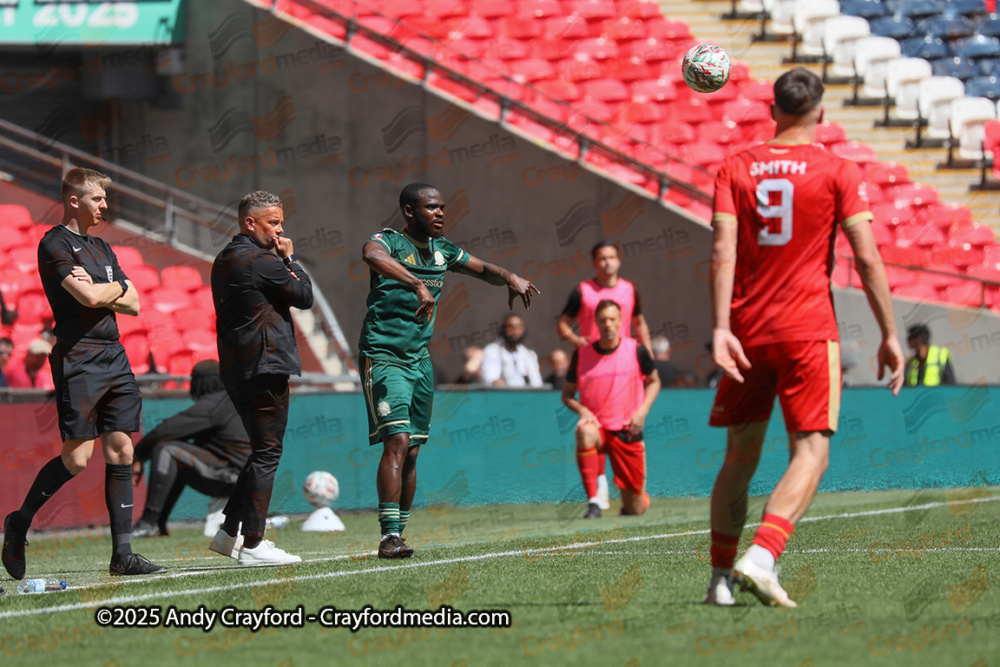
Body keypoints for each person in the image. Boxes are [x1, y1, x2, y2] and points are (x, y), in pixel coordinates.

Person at [703, 68, 904, 609]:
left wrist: (720, 328)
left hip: (746, 331)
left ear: (773, 111)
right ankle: (763, 555)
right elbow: (867, 258)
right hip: (808, 330)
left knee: (739, 458)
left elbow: (722, 251)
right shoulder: (838, 170)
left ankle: (719, 582)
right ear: (820, 112)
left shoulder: (734, 167)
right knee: (812, 453)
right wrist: (890, 333)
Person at [2, 167, 166, 579]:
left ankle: (122, 556)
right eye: (97, 198)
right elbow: (93, 297)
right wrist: (110, 291)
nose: (104, 205)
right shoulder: (54, 243)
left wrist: (101, 289)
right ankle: (18, 523)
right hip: (79, 356)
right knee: (77, 458)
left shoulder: (102, 247)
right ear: (74, 201)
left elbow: (134, 303)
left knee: (122, 451)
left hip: (115, 355)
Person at [360, 182, 539, 558]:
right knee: (397, 441)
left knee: (412, 451)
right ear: (410, 211)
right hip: (385, 357)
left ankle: (398, 535)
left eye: (442, 206)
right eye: (431, 207)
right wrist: (416, 283)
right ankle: (387, 536)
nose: (440, 212)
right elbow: (370, 255)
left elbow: (483, 269)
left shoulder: (443, 250)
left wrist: (509, 276)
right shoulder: (390, 242)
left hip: (419, 360)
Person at [209, 190, 313, 565]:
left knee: (260, 452)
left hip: (235, 367)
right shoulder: (261, 260)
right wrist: (291, 258)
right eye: (273, 222)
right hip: (264, 365)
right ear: (250, 223)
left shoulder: (223, 258)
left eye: (281, 222)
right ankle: (253, 543)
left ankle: (227, 532)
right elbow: (304, 296)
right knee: (268, 453)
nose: (280, 230)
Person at [557, 240, 652, 509]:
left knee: (636, 505)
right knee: (591, 424)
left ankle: (631, 490)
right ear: (593, 262)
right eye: (601, 258)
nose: (607, 262)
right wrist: (579, 342)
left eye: (611, 257)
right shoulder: (583, 291)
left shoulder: (630, 290)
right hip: (594, 367)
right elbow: (562, 324)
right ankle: (598, 487)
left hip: (625, 366)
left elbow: (640, 323)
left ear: (619, 260)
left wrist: (648, 356)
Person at [130, 360, 251, 538]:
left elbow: (163, 431)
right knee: (178, 456)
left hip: (232, 479)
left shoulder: (215, 404)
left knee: (167, 450)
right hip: (247, 479)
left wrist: (137, 456)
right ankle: (157, 524)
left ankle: (149, 522)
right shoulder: (231, 399)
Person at [562, 299, 660, 518]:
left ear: (620, 321)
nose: (607, 324)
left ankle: (632, 494)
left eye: (612, 319)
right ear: (596, 322)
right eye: (603, 320)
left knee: (636, 509)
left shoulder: (637, 350)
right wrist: (583, 411)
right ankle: (594, 502)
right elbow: (566, 395)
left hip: (627, 430)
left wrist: (642, 412)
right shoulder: (582, 354)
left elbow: (655, 381)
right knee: (585, 431)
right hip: (597, 428)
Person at [480, 312, 544, 387]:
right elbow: (492, 381)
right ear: (502, 330)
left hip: (527, 393)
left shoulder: (529, 354)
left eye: (519, 327)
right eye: (511, 327)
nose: (515, 332)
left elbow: (537, 383)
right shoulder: (492, 351)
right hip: (504, 393)